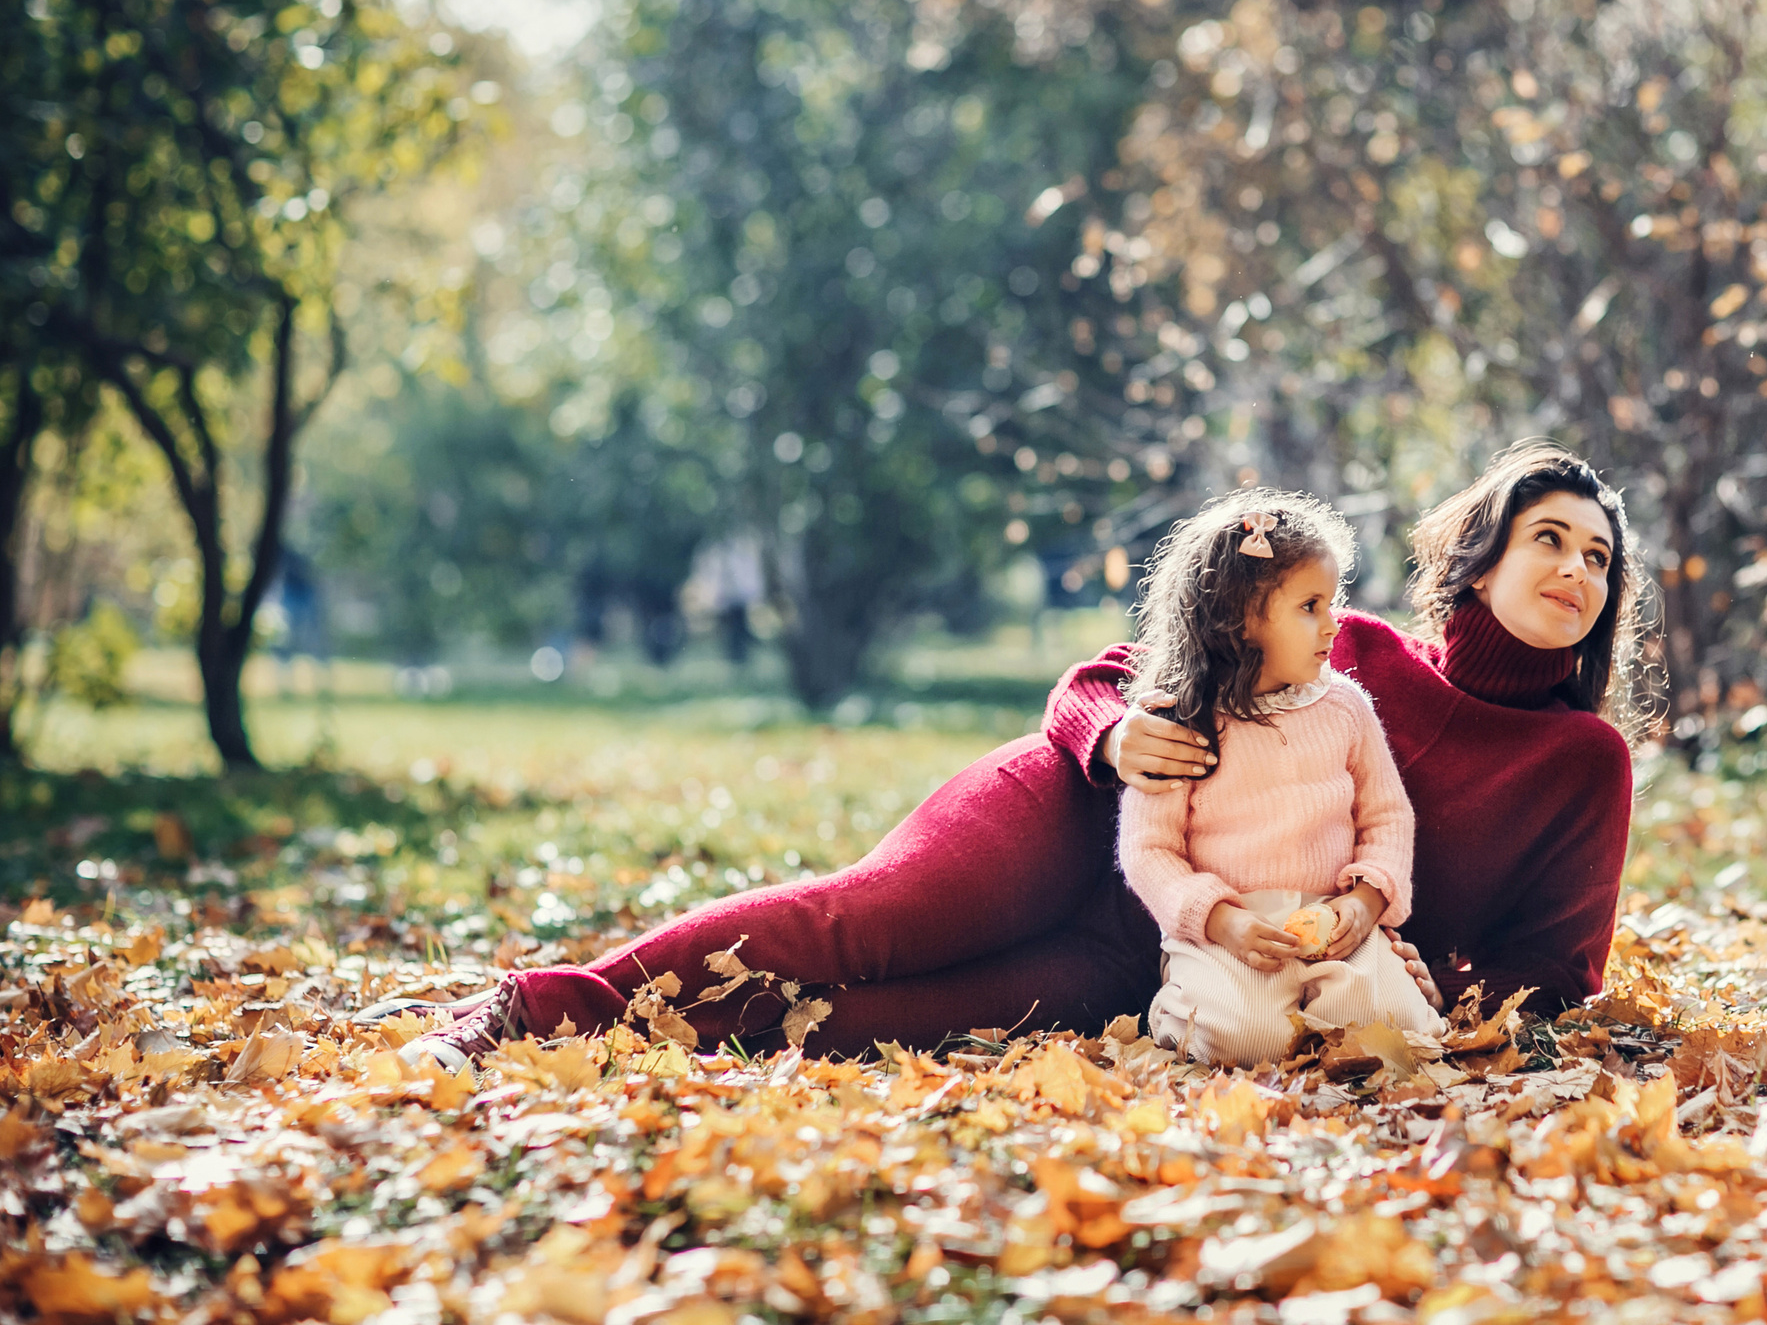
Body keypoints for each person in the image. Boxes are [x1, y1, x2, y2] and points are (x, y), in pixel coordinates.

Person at [385, 441, 1638, 1071]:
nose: (1577, 571)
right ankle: (536, 1006)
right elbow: (1106, 671)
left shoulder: (1580, 764)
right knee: (866, 926)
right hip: (1076, 823)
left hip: (1162, 952)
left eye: (1598, 557)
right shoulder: (1343, 637)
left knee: (869, 1026)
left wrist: (1396, 959)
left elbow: (1554, 974)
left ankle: (639, 1035)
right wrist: (1114, 735)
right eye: (1551, 539)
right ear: (1479, 556)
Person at [1115, 491, 1441, 1064]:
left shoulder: (1346, 708)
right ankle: (1183, 1004)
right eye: (1310, 605)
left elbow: (1387, 818)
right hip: (1230, 936)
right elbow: (1149, 851)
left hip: (1336, 923)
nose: (1333, 623)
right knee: (1245, 1038)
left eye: (1332, 602)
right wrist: (1221, 921)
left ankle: (1346, 1006)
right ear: (1241, 619)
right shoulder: (1181, 720)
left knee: (1407, 1035)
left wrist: (1365, 904)